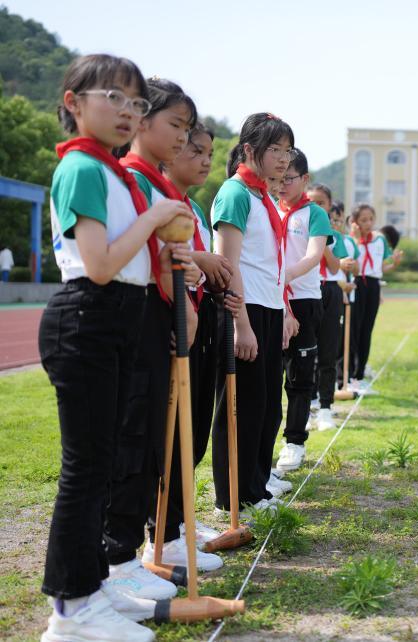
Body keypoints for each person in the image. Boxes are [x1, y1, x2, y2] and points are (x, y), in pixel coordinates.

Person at [39, 53, 193, 642]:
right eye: (114, 98)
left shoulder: (115, 173)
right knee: (86, 470)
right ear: (75, 103)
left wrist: (166, 243)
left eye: (136, 102)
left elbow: (128, 257)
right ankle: (72, 612)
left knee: (101, 465)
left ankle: (93, 588)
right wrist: (155, 216)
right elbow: (101, 265)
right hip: (88, 317)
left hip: (120, 318)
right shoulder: (82, 168)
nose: (128, 112)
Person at [105, 77, 222, 586]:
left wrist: (189, 277)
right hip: (137, 317)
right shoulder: (131, 179)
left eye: (187, 128)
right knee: (134, 441)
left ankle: (151, 544)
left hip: (167, 316)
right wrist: (183, 295)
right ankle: (121, 560)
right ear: (142, 121)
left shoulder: (157, 184)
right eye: (176, 125)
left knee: (157, 438)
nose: (183, 138)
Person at [160, 120, 245, 555]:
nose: (204, 161)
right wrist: (201, 260)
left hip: (200, 316)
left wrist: (213, 280)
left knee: (192, 434)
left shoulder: (189, 205)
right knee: (168, 436)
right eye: (195, 151)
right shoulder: (156, 195)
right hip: (168, 321)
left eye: (209, 154)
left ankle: (181, 522)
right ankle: (165, 532)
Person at [211, 112, 296, 515]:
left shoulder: (264, 198)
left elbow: (270, 265)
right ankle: (235, 496)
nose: (283, 159)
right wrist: (241, 325)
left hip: (268, 309)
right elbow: (228, 266)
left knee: (266, 407)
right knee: (242, 408)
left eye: (287, 150)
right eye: (274, 150)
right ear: (250, 150)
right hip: (244, 312)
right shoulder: (235, 194)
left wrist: (282, 313)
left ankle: (256, 487)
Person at [273, 150, 333, 473]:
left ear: (304, 180)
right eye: (279, 178)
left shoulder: (314, 215)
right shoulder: (269, 209)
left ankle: (294, 442)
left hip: (303, 301)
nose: (282, 185)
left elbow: (313, 256)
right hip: (270, 300)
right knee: (270, 376)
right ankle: (263, 446)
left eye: (289, 179)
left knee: (298, 376)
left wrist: (284, 275)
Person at [307, 188, 357, 430]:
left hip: (330, 291)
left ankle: (325, 408)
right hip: (304, 290)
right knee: (305, 353)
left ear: (329, 206)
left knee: (328, 351)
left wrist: (321, 236)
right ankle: (306, 406)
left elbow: (334, 264)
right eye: (311, 201)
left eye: (321, 202)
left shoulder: (336, 236)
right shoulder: (296, 227)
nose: (316, 206)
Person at [349, 204, 401, 393]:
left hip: (372, 285)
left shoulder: (379, 240)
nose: (368, 223)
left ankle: (360, 376)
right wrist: (355, 239)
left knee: (366, 330)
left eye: (371, 219)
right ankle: (348, 376)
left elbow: (380, 268)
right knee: (353, 329)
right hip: (356, 283)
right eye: (363, 220)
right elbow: (349, 263)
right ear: (355, 222)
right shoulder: (351, 241)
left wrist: (393, 265)